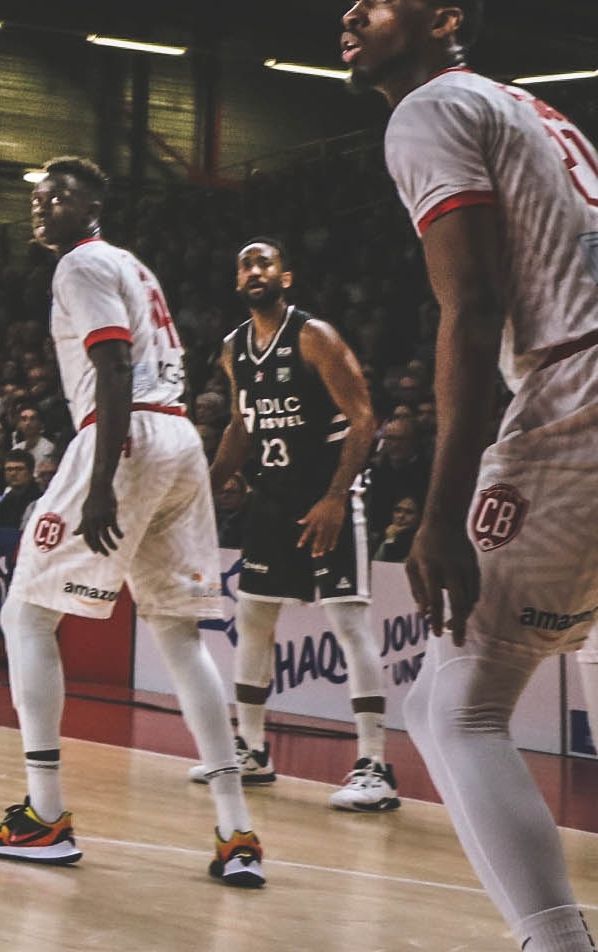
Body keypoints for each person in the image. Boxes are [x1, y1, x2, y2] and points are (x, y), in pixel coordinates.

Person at [348, 0, 598, 952]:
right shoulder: (550, 121)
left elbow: (471, 308)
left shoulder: (428, 110)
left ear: (445, 21)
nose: (354, 13)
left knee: (452, 703)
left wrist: (439, 505)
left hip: (596, 383)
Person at [0, 158, 263, 887]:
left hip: (123, 438)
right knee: (180, 635)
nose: (43, 207)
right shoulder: (133, 265)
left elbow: (115, 365)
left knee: (25, 618)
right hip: (180, 442)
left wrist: (101, 480)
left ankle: (45, 816)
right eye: (37, 198)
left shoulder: (81, 265)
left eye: (60, 195)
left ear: (97, 202)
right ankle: (237, 833)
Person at [205, 237, 396, 812]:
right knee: (256, 618)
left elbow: (364, 419)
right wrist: (208, 484)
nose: (254, 271)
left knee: (349, 623)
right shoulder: (233, 347)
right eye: (245, 264)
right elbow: (242, 425)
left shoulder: (315, 337)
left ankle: (375, 766)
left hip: (328, 492)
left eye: (264, 263)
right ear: (238, 281)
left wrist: (337, 496)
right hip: (272, 497)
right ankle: (252, 750)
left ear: (285, 278)